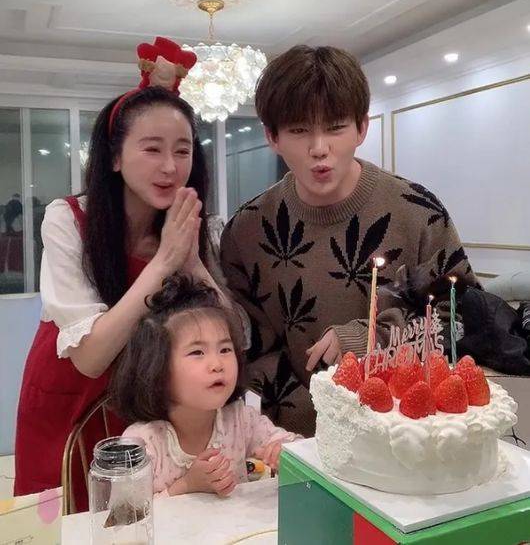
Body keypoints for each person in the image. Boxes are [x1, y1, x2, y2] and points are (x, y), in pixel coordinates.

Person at [14, 38, 245, 509]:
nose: (170, 167)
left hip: (146, 407)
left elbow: (234, 334)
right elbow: (90, 358)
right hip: (70, 397)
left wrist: (191, 262)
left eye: (183, 151)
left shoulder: (190, 226)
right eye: (152, 149)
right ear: (115, 157)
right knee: (65, 519)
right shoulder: (68, 220)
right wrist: (164, 263)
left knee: (140, 516)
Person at [220, 45, 478, 436]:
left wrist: (370, 338)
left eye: (335, 127)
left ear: (361, 128)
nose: (319, 148)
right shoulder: (247, 230)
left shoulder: (417, 212)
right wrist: (315, 420)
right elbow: (248, 346)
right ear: (272, 136)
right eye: (299, 130)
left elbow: (460, 319)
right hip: (294, 441)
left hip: (406, 435)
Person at [111, 275, 300, 497]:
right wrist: (187, 485)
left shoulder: (240, 419)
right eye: (197, 352)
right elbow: (125, 513)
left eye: (225, 350)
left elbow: (302, 452)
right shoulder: (142, 443)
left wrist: (285, 454)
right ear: (156, 368)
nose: (217, 364)